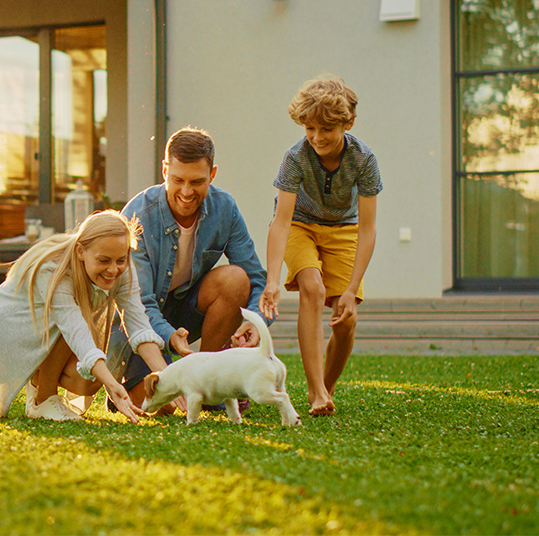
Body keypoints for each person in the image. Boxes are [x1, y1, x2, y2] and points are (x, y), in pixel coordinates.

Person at [112, 127, 268, 408]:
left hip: (185, 309)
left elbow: (256, 278)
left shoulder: (225, 209)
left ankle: (209, 384)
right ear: (164, 171)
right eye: (177, 180)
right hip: (138, 320)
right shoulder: (137, 215)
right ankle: (135, 385)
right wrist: (169, 338)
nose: (186, 192)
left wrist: (256, 323)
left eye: (197, 181)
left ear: (213, 174)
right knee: (163, 406)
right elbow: (139, 304)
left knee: (235, 278)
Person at [0, 210, 171, 423]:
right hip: (11, 329)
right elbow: (74, 330)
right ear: (81, 251)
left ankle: (38, 383)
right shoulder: (54, 270)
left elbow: (139, 326)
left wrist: (171, 381)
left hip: (49, 328)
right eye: (103, 260)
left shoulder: (122, 268)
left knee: (87, 382)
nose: (113, 269)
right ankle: (42, 399)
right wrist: (113, 384)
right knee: (78, 336)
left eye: (121, 259)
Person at [260, 75, 382, 416]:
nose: (316, 137)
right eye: (309, 128)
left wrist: (352, 288)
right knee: (311, 287)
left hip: (344, 228)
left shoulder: (363, 160)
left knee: (345, 320)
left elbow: (369, 228)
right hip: (300, 224)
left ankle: (325, 390)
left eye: (326, 129)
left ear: (349, 122)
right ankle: (315, 392)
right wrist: (272, 281)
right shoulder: (296, 157)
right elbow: (281, 221)